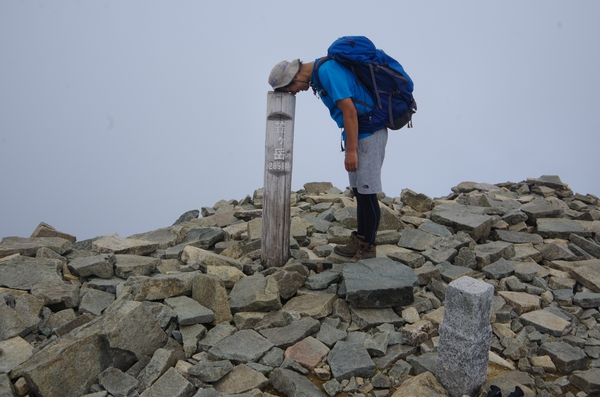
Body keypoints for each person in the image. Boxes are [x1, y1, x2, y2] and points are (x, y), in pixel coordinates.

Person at [268, 57, 388, 262]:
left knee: (368, 193)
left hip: (368, 132)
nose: (294, 92)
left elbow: (349, 111)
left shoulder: (327, 72)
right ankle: (360, 240)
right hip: (358, 133)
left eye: (291, 88)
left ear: (294, 77)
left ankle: (369, 247)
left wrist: (351, 151)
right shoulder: (319, 75)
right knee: (360, 192)